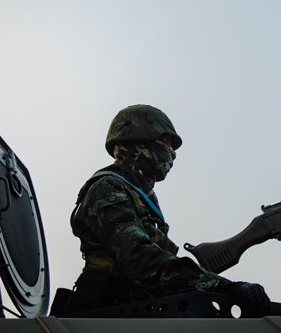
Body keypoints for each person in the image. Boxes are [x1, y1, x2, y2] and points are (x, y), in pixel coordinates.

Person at [64, 104, 270, 316]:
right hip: (104, 311)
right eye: (164, 143)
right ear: (136, 142)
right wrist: (220, 286)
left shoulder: (144, 196)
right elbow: (139, 259)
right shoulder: (107, 188)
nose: (171, 153)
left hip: (136, 309)